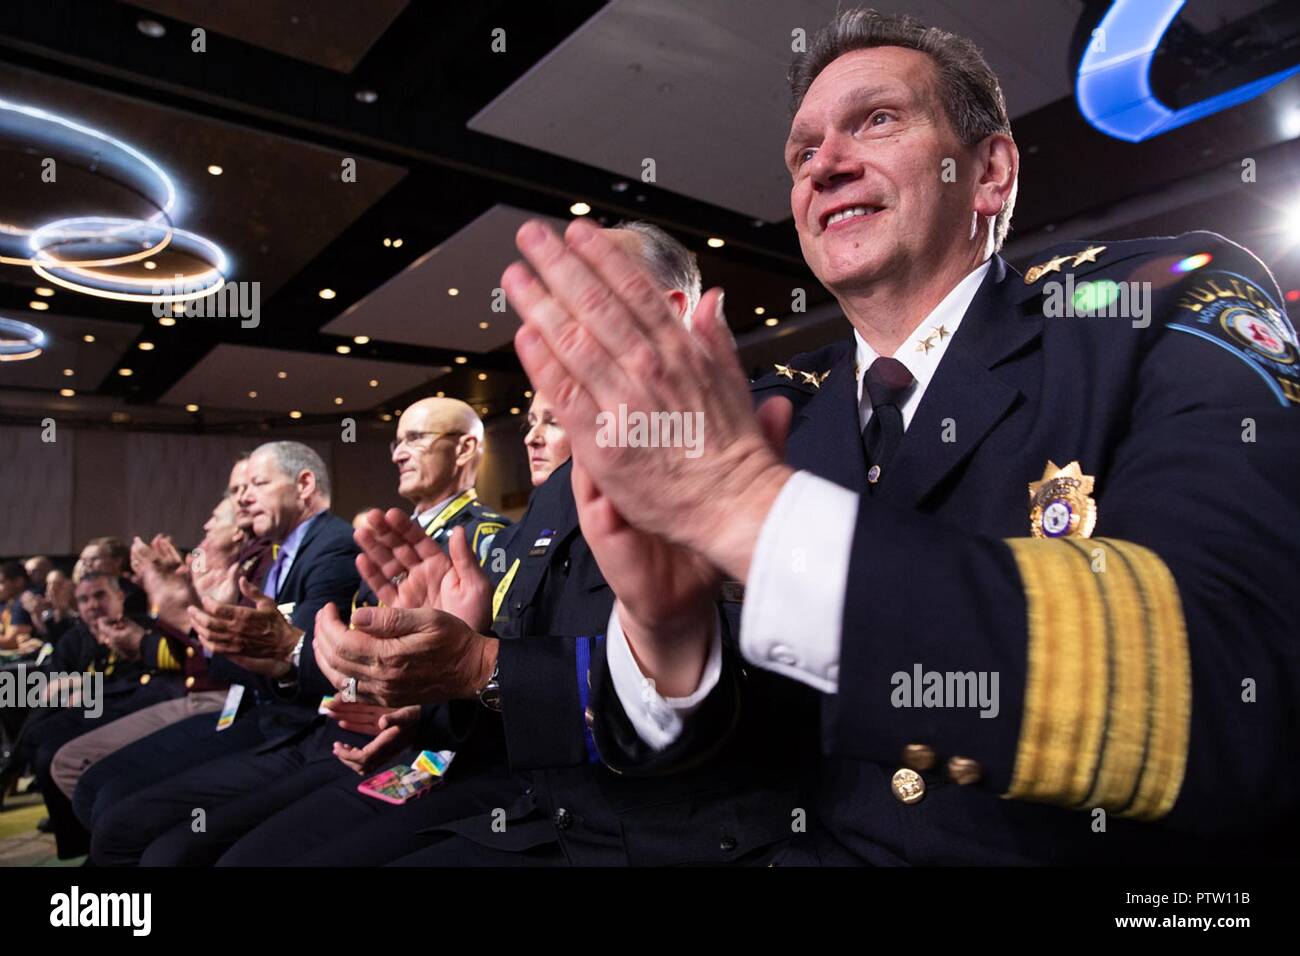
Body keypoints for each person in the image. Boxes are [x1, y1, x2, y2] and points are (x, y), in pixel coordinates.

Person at [496, 8, 1300, 865]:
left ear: (989, 171)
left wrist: (750, 513)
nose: (825, 167)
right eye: (802, 155)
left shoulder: (1152, 305)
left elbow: (1242, 687)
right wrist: (670, 636)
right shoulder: (776, 410)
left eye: (876, 120)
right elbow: (719, 764)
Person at [248, 224, 812, 866]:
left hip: (678, 833)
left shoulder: (759, 438)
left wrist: (480, 667)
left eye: (583, 295)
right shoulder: (561, 486)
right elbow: (513, 663)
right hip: (537, 807)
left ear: (669, 312)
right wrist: (432, 696)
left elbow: (767, 685)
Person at [89, 404, 508, 866]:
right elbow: (340, 652)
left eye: (416, 439)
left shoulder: (486, 540)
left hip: (420, 746)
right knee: (140, 818)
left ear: (466, 446)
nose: (399, 454)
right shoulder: (387, 540)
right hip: (335, 725)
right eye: (398, 441)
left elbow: (486, 671)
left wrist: (261, 639)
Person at [83, 442, 360, 864]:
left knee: (142, 833)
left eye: (257, 484)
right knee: (109, 798)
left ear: (304, 484)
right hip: (264, 714)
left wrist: (191, 617)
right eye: (238, 490)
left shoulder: (332, 546)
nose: (242, 499)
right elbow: (265, 657)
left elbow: (301, 660)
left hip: (299, 728)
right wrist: (200, 618)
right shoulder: (278, 554)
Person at [51, 493, 248, 815]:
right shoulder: (202, 574)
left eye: (215, 521)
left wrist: (174, 611)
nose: (205, 525)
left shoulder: (246, 576)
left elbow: (199, 658)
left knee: (90, 774)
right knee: (53, 737)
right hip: (188, 690)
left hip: (213, 697)